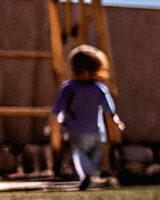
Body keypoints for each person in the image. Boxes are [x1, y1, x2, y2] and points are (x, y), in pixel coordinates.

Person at [51, 46, 124, 190]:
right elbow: (110, 111)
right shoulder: (100, 88)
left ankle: (86, 174)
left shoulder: (69, 87)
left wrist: (56, 127)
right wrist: (117, 125)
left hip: (76, 130)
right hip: (96, 131)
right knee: (96, 152)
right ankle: (89, 173)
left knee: (79, 153)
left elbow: (56, 111)